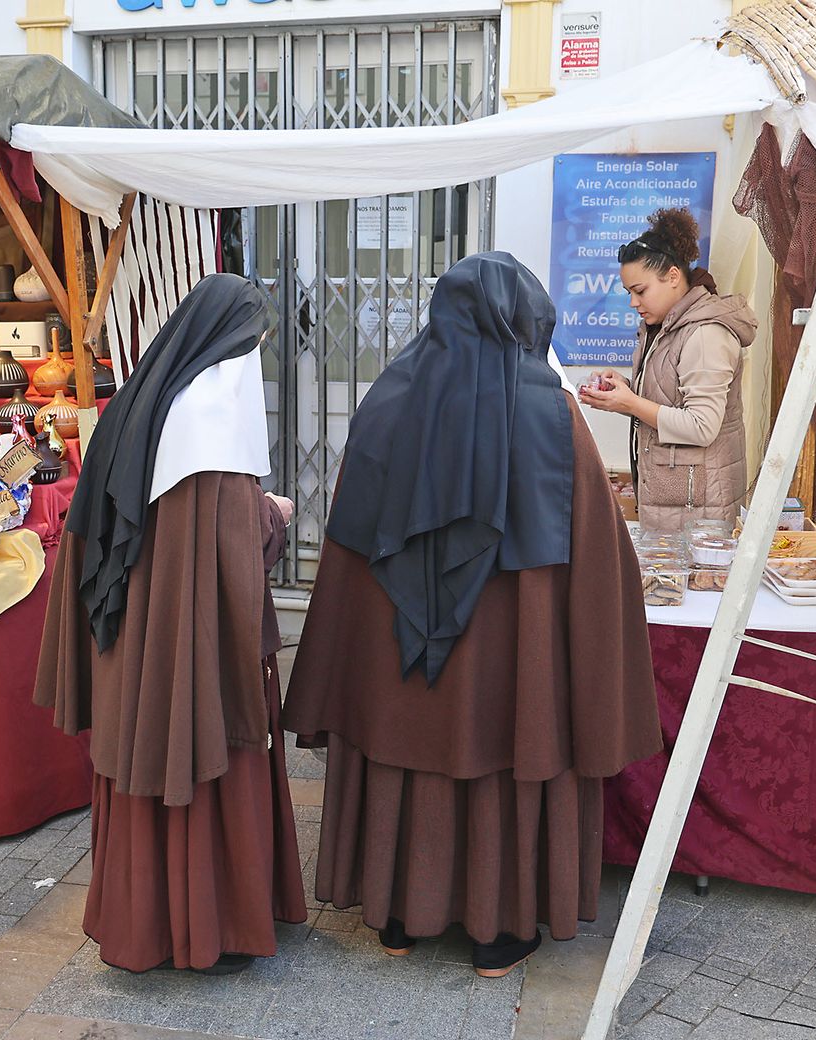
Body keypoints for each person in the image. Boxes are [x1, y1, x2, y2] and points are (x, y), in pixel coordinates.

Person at [283, 252, 662, 978]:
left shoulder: (387, 398)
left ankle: (395, 916)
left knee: (406, 746)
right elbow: (599, 548)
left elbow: (347, 543)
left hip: (400, 666)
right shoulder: (551, 411)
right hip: (505, 657)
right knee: (499, 756)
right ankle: (498, 930)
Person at [33, 273, 306, 974]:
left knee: (141, 771)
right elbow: (233, 553)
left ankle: (143, 925)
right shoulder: (209, 427)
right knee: (203, 759)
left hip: (133, 642)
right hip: (194, 651)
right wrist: (271, 516)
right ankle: (211, 927)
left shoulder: (140, 403)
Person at [577, 207, 757, 530]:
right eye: (628, 293)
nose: (633, 302)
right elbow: (669, 398)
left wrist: (629, 403)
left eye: (640, 291)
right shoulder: (665, 327)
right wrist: (626, 390)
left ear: (673, 277)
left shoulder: (705, 334)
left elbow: (702, 425)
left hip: (699, 517)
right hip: (677, 501)